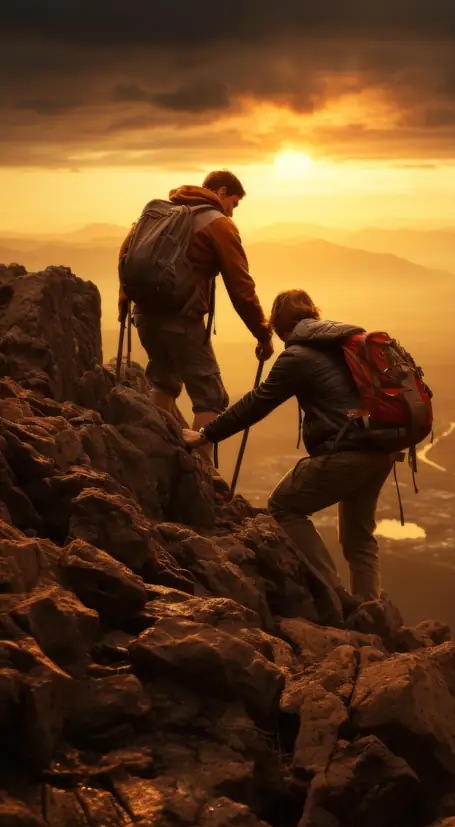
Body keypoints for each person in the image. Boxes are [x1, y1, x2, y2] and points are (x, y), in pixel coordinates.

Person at [192, 289, 397, 610]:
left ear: (279, 327)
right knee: (359, 537)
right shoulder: (342, 344)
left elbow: (258, 402)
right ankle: (370, 609)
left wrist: (206, 434)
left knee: (283, 506)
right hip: (382, 450)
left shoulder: (298, 356)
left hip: (346, 452)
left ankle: (335, 594)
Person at [117, 170, 274, 446]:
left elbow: (126, 255)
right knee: (210, 397)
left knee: (163, 380)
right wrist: (262, 333)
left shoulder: (159, 214)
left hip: (143, 314)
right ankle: (201, 467)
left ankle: (155, 449)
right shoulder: (218, 224)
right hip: (181, 320)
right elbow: (241, 287)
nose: (232, 212)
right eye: (234, 204)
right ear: (222, 191)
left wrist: (123, 303)